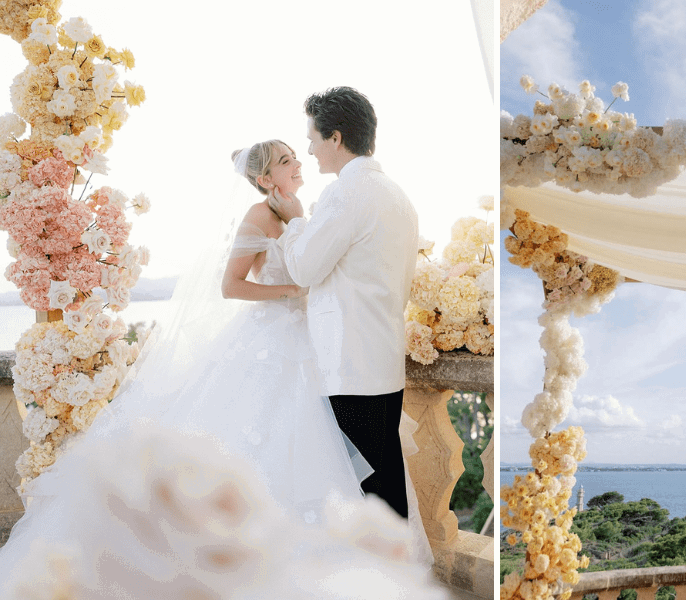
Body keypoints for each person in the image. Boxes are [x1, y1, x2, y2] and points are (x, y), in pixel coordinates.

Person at [0, 140, 435, 597]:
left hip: (315, 345)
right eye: (287, 160)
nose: (299, 162)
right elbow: (231, 285)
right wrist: (292, 293)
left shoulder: (304, 209)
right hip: (272, 340)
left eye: (296, 156)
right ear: (266, 178)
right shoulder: (257, 216)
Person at [273, 87, 419, 521]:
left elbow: (303, 269)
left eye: (313, 138)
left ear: (336, 138)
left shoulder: (345, 193)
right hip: (383, 360)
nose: (309, 150)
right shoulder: (397, 195)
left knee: (363, 495)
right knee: (384, 483)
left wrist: (296, 219)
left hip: (349, 364)